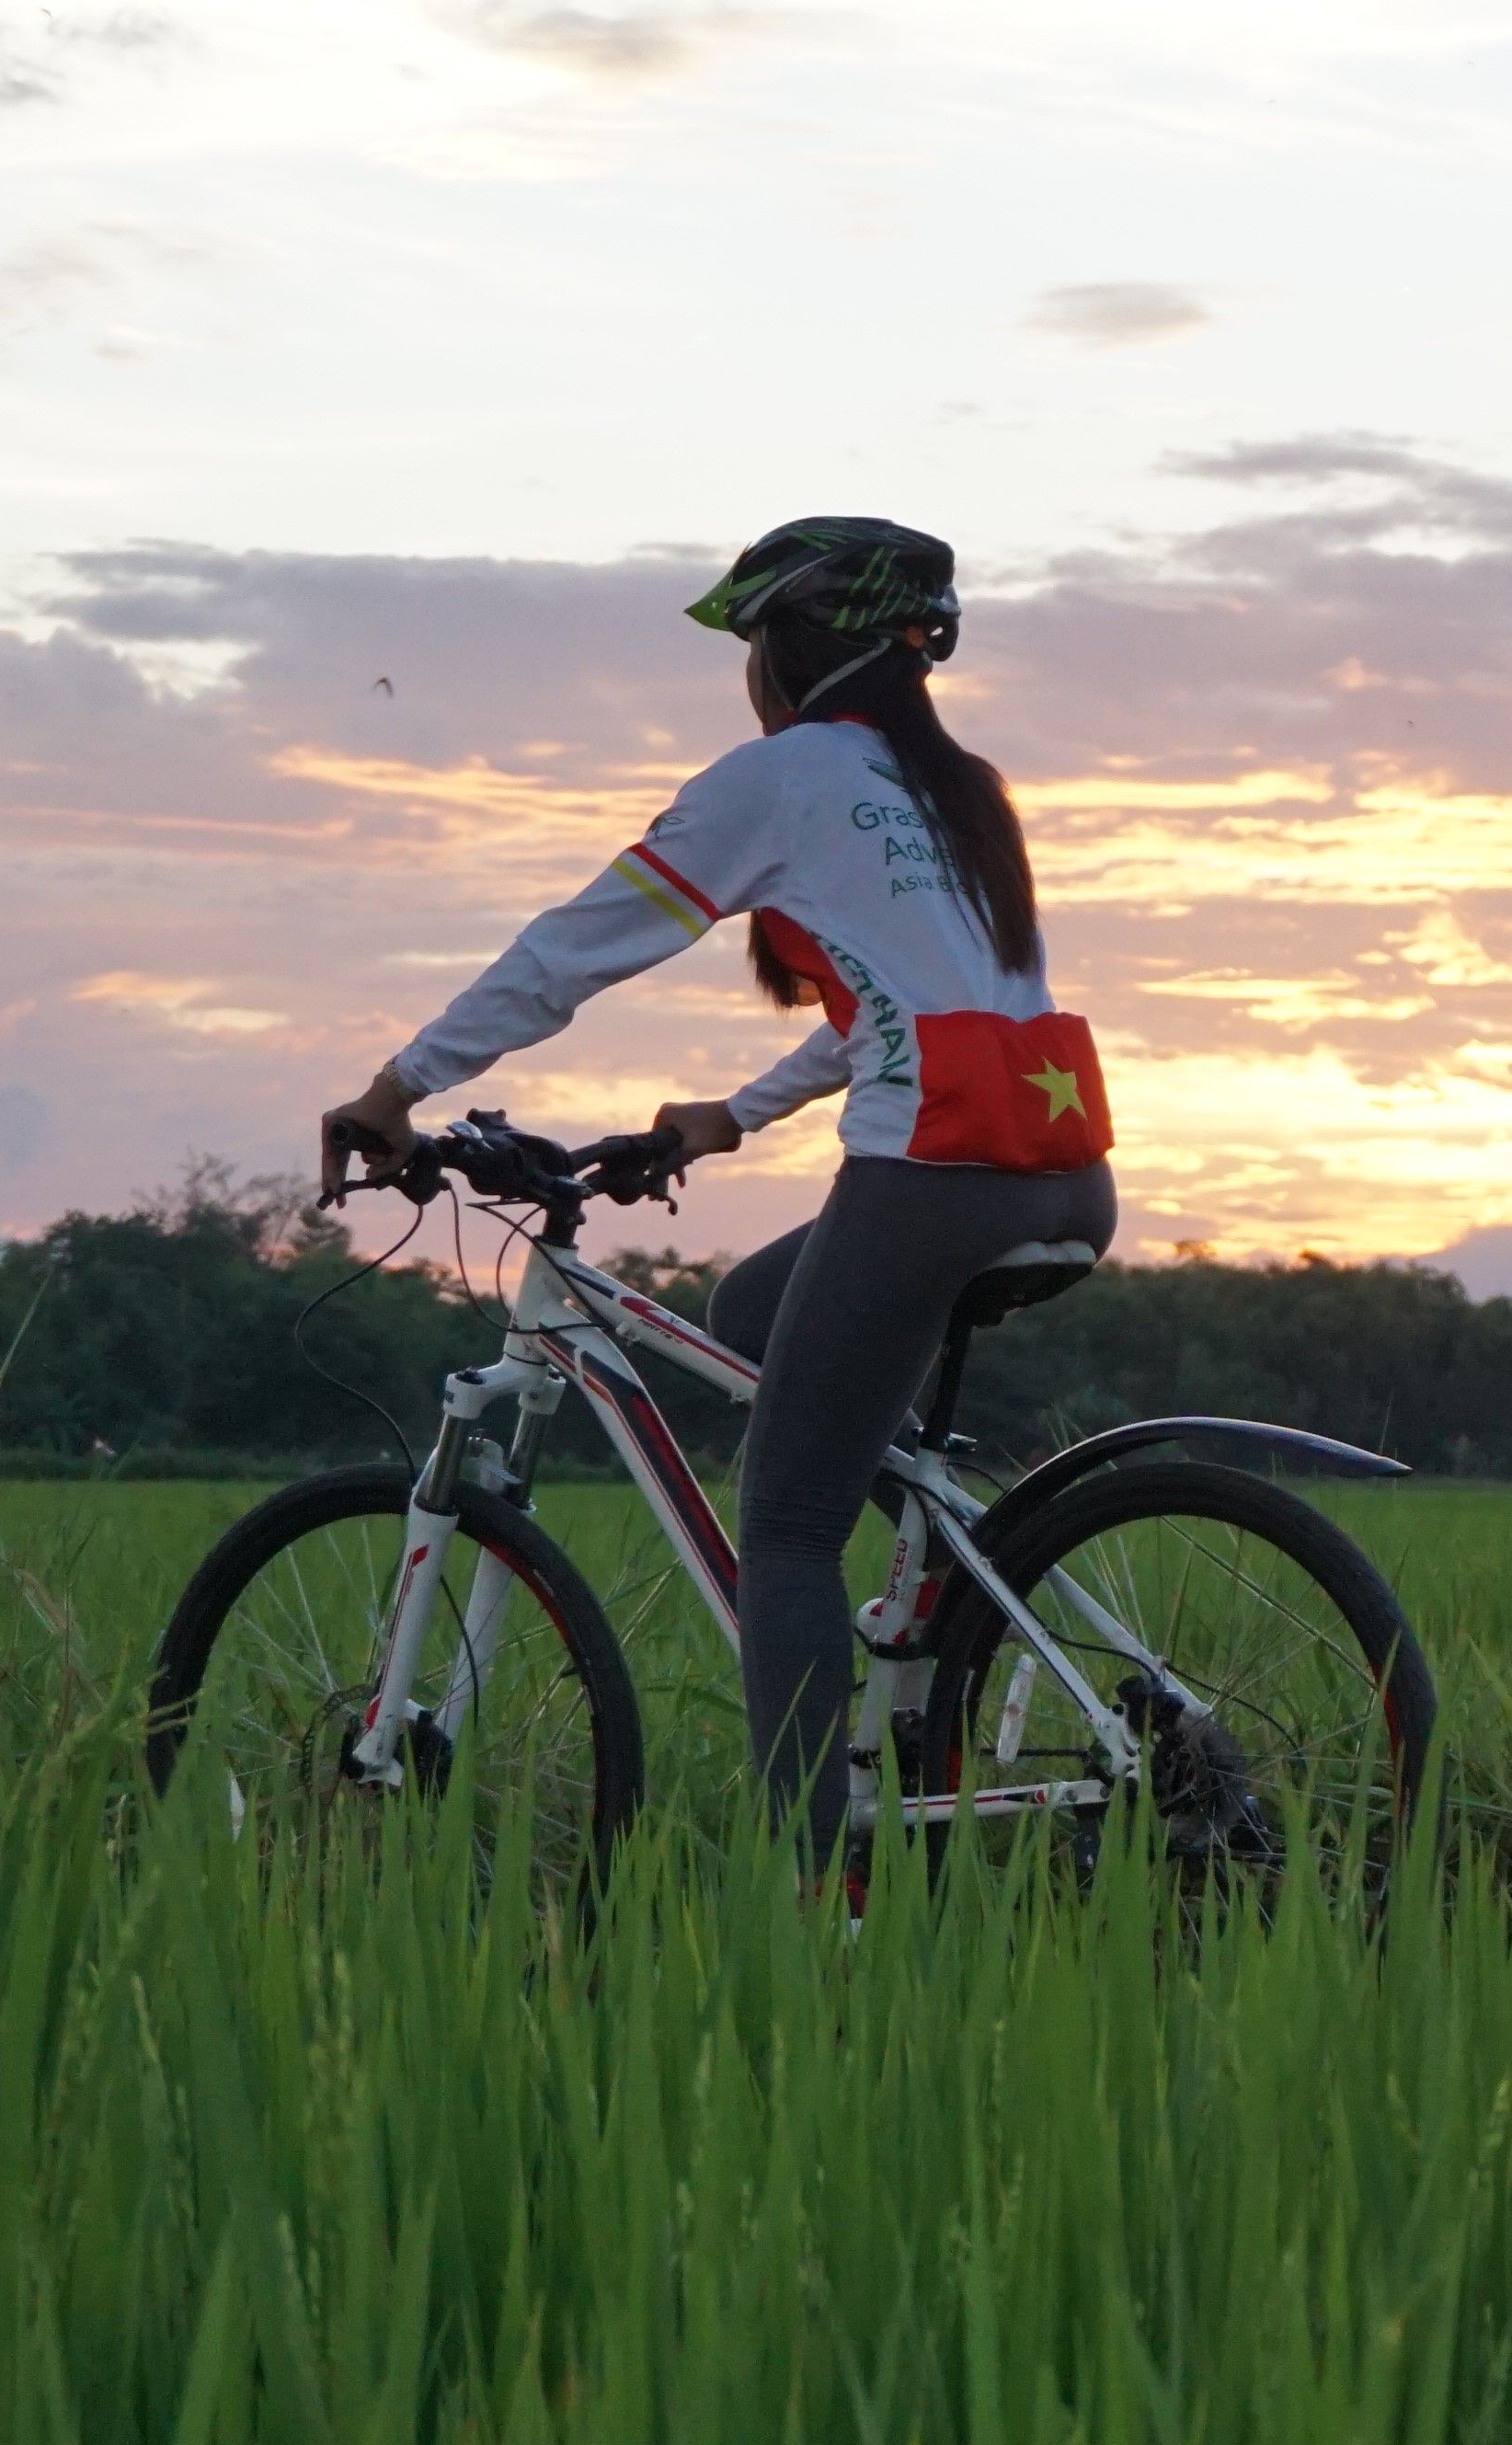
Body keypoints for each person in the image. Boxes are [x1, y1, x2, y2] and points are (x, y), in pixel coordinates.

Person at [318, 513, 1117, 1867]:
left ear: (795, 645)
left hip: (930, 1185)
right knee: (753, 1310)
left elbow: (573, 948)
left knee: (789, 1535)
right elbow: (913, 1010)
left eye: (752, 641)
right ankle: (943, 1588)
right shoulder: (962, 787)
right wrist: (726, 1121)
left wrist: (400, 1087)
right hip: (1065, 1177)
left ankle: (818, 1895)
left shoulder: (784, 777)